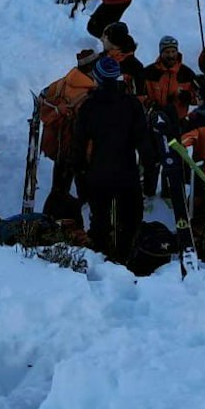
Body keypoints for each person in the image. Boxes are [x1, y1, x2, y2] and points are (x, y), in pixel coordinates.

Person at [72, 52, 156, 263]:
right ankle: (127, 259)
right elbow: (143, 142)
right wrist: (150, 174)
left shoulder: (89, 106)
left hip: (98, 173)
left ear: (98, 79)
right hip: (127, 172)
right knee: (131, 221)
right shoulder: (131, 104)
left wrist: (80, 174)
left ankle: (101, 262)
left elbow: (79, 144)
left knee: (99, 222)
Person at [38, 48, 100, 206]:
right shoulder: (87, 93)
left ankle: (59, 203)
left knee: (60, 182)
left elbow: (43, 94)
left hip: (59, 144)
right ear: (90, 68)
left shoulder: (66, 80)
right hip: (74, 145)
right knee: (79, 177)